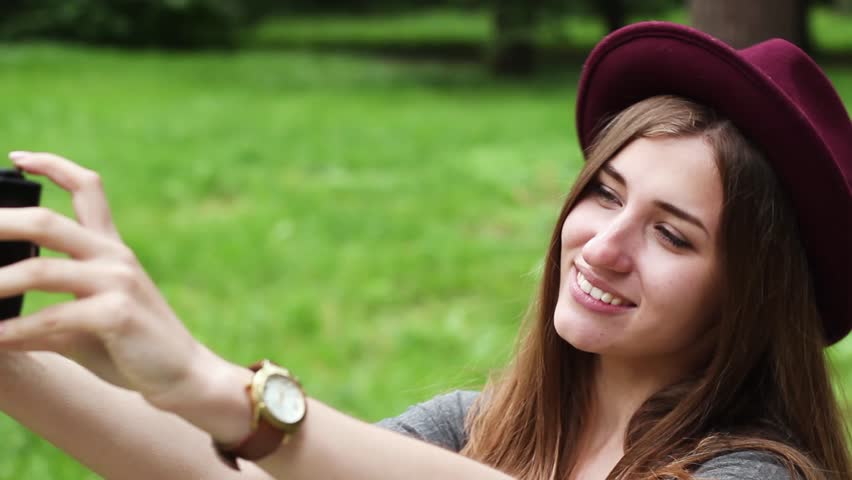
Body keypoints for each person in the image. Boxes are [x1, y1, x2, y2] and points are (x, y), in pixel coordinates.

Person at [0, 20, 849, 480]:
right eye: (604, 192)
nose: (604, 245)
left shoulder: (759, 474)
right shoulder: (481, 428)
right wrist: (13, 356)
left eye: (671, 234)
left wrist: (213, 384)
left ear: (748, 298)